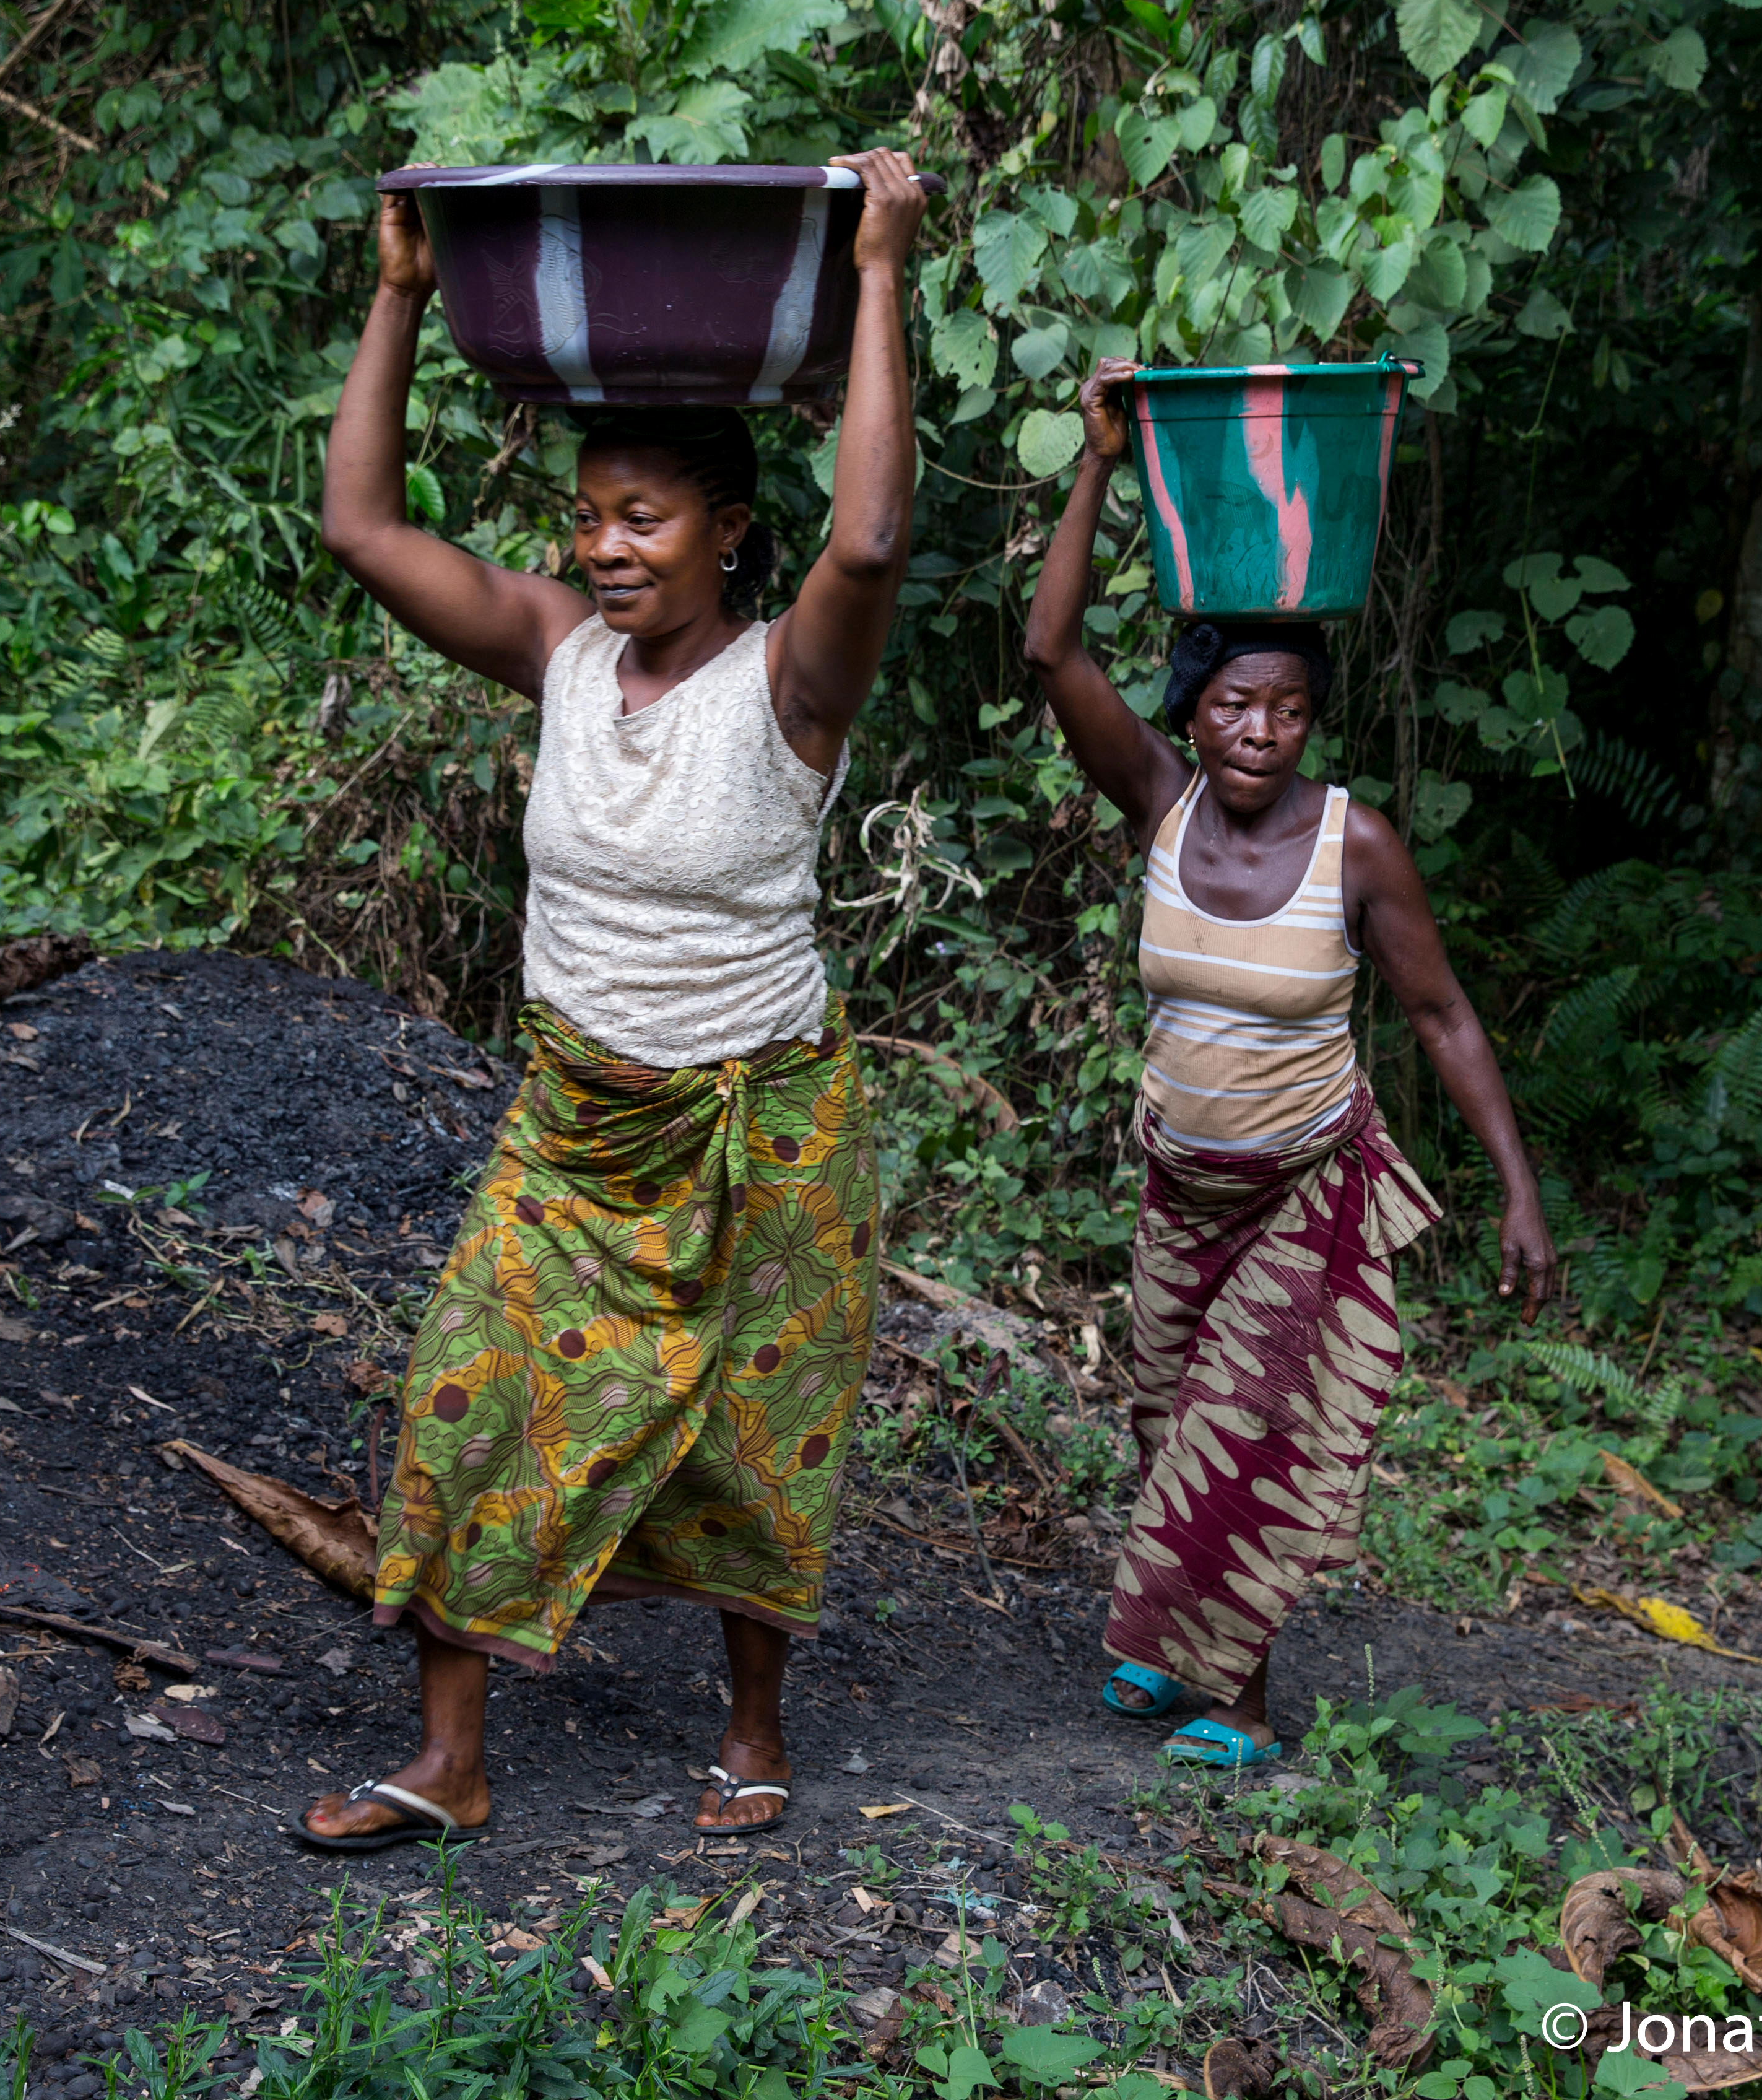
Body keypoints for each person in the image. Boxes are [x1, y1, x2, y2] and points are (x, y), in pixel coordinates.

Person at [296, 152, 929, 1849]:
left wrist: (878, 269)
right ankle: (448, 1760)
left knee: (751, 1435)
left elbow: (869, 535)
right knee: (465, 1390)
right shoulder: (559, 652)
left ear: (728, 528)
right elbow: (361, 525)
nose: (605, 544)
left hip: (760, 1122)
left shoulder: (790, 684)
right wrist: (404, 293)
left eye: (642, 516)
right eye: (588, 515)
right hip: (578, 1123)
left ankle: (753, 1725)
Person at [1019, 358, 1556, 1768]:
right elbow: (1050, 656)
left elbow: (1443, 1019)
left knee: (1250, 1432)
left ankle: (1240, 1704)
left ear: (1312, 719)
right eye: (1235, 707)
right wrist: (1096, 461)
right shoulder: (1160, 799)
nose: (1259, 733)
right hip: (1176, 1185)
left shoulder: (1353, 845)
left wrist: (1518, 1189)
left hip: (1304, 1191)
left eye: (1287, 711)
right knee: (1162, 1423)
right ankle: (1167, 1642)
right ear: (1194, 710)